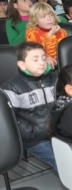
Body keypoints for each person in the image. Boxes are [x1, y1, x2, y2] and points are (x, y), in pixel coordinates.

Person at [1, 42, 57, 170]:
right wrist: (32, 132)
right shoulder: (11, 87)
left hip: (60, 132)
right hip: (35, 139)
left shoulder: (54, 79)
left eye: (43, 58)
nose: (42, 62)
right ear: (22, 64)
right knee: (63, 159)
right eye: (35, 59)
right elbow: (11, 120)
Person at [26, 2, 67, 69]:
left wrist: (50, 36)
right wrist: (47, 57)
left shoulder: (62, 32)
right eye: (43, 16)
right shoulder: (32, 33)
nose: (49, 19)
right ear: (35, 21)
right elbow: (35, 54)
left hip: (60, 65)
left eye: (51, 15)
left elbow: (60, 55)